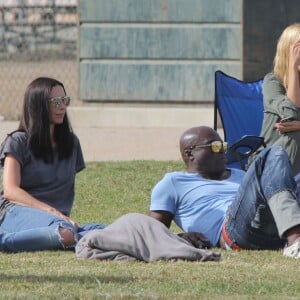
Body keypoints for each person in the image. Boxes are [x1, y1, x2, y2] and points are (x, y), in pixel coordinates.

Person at [149, 126, 300, 258]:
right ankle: (295, 240)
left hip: (274, 227)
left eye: (224, 146)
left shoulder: (241, 175)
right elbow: (151, 231)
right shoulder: (173, 183)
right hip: (235, 232)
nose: (222, 151)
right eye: (215, 146)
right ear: (190, 154)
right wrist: (180, 237)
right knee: (273, 152)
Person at [0, 77, 106, 252]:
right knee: (64, 233)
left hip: (58, 221)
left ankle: (71, 236)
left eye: (65, 101)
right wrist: (55, 213)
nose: (63, 107)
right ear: (39, 106)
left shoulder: (71, 143)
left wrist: (58, 217)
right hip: (14, 212)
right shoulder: (17, 141)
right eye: (56, 102)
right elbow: (11, 191)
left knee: (111, 232)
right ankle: (4, 241)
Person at [259, 23, 300, 174]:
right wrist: (293, 68)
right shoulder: (272, 82)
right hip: (269, 161)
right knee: (295, 137)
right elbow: (291, 113)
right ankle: (285, 193)